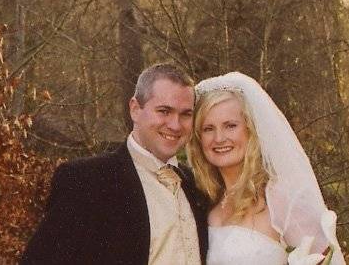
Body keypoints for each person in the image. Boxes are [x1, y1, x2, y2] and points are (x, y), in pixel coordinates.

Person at [21, 63, 209, 264]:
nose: (175, 125)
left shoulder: (196, 185)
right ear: (135, 109)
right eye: (164, 111)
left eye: (185, 114)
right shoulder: (86, 181)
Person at [187, 72, 344, 265]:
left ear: (251, 130)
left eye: (230, 126)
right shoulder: (205, 200)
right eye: (208, 128)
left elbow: (326, 260)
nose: (219, 138)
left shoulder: (282, 198)